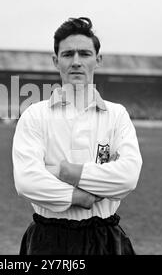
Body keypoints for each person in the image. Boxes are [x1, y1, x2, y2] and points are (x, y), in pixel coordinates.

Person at [12, 17, 143, 255]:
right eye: (67, 54)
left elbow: (128, 177)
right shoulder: (35, 115)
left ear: (98, 60)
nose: (76, 62)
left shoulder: (116, 115)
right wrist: (78, 197)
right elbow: (26, 181)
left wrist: (68, 172)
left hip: (105, 237)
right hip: (48, 239)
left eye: (84, 54)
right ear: (55, 61)